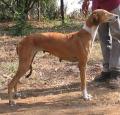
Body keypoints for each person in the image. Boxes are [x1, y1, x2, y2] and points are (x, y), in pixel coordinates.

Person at [82, 0, 120, 89]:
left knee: (116, 36)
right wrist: (86, 1)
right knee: (103, 38)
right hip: (98, 6)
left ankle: (116, 72)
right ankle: (106, 70)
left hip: (113, 4)